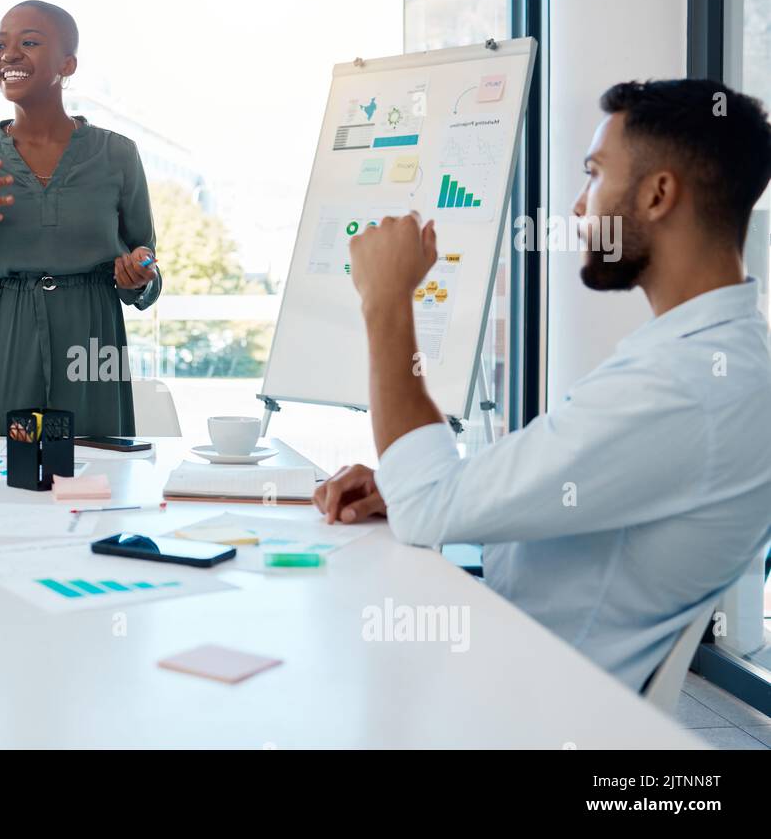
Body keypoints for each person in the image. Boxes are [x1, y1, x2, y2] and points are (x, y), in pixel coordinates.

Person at [314, 79, 771, 691]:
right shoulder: (710, 359)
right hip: (523, 665)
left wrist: (387, 298)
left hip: (525, 701)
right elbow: (562, 477)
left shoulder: (685, 384)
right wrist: (413, 485)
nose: (580, 207)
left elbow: (427, 509)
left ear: (659, 193)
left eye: (594, 173)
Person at [0, 0, 160, 436]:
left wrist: (138, 276)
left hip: (91, 341)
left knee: (94, 481)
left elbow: (147, 262)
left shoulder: (118, 155)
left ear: (67, 63)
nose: (9, 54)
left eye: (29, 42)